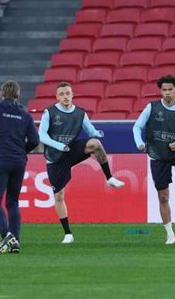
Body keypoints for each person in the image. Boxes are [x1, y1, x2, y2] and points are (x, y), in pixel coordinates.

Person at [39, 81, 125, 244]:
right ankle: (68, 233)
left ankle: (109, 178)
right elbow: (42, 136)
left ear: (72, 95)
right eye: (62, 94)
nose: (65, 96)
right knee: (58, 195)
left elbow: (90, 131)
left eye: (68, 93)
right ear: (57, 97)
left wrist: (98, 133)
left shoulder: (80, 113)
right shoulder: (49, 113)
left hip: (70, 151)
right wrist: (59, 145)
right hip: (55, 157)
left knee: (95, 144)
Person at [133, 74, 175, 245]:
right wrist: (140, 143)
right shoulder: (152, 107)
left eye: (170, 89)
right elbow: (137, 126)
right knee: (163, 197)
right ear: (160, 91)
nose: (167, 93)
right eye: (164, 90)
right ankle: (170, 234)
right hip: (157, 153)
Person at [0, 80, 39, 254]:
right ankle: (16, 241)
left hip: (1, 159)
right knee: (13, 202)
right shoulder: (25, 115)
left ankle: (7, 236)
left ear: (1, 94)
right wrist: (22, 151)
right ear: (18, 96)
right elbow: (34, 140)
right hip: (19, 161)